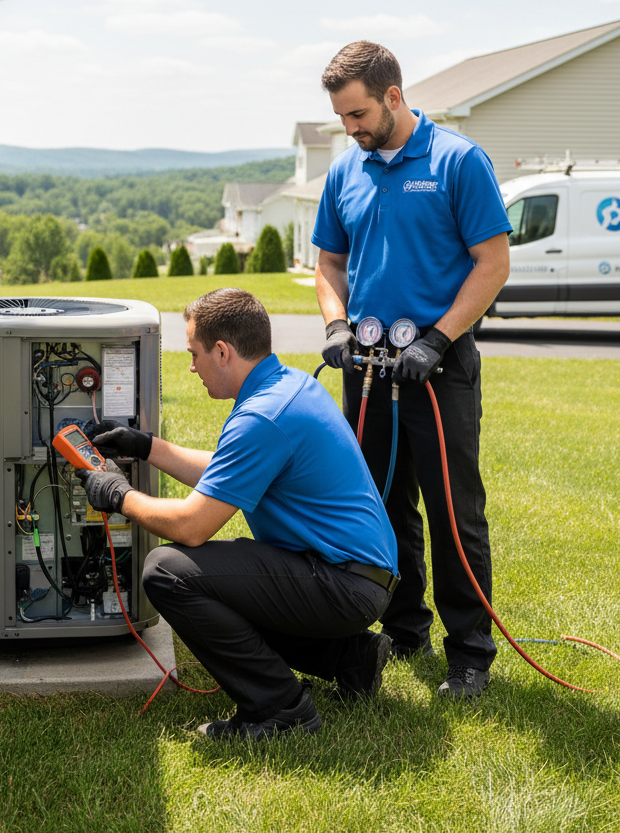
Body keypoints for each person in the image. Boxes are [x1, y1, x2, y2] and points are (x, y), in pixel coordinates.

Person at [76, 288, 399, 740]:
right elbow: (231, 472)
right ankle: (351, 659)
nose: (191, 367)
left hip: (344, 583)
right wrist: (146, 446)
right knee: (226, 580)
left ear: (222, 351)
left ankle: (281, 710)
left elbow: (192, 526)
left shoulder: (262, 416)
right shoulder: (285, 386)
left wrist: (118, 494)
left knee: (169, 572)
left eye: (194, 354)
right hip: (358, 576)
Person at [312, 41, 511, 699]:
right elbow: (328, 266)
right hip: (364, 366)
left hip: (436, 365)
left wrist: (439, 338)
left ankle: (471, 652)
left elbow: (492, 264)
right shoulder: (347, 172)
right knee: (380, 504)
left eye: (359, 113)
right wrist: (336, 324)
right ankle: (404, 628)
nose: (351, 128)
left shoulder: (458, 161)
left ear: (394, 96)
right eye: (342, 117)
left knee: (455, 512)